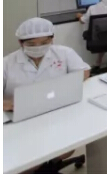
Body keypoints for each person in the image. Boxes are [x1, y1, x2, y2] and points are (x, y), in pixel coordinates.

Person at [4, 17, 91, 173]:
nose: (38, 47)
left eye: (44, 42)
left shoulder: (64, 53)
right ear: (20, 43)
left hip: (57, 115)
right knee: (27, 163)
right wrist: (6, 103)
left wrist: (67, 85)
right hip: (21, 123)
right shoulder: (7, 63)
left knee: (65, 145)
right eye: (31, 44)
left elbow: (84, 71)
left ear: (52, 39)